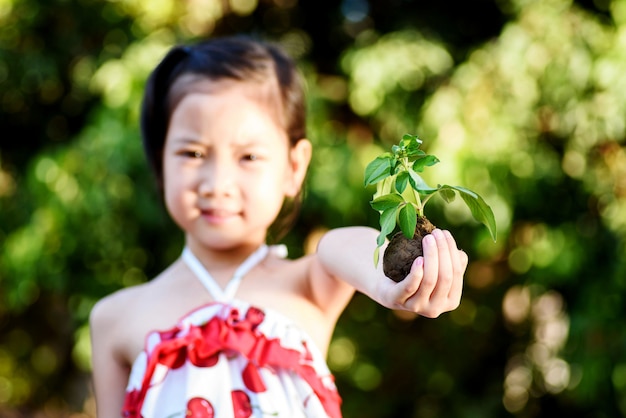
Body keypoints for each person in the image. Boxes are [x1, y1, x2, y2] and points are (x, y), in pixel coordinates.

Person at [89, 35, 468, 418]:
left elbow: (342, 246)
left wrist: (391, 281)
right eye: (192, 153)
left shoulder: (307, 285)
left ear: (293, 168)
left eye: (249, 156)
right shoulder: (115, 318)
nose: (217, 183)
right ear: (160, 161)